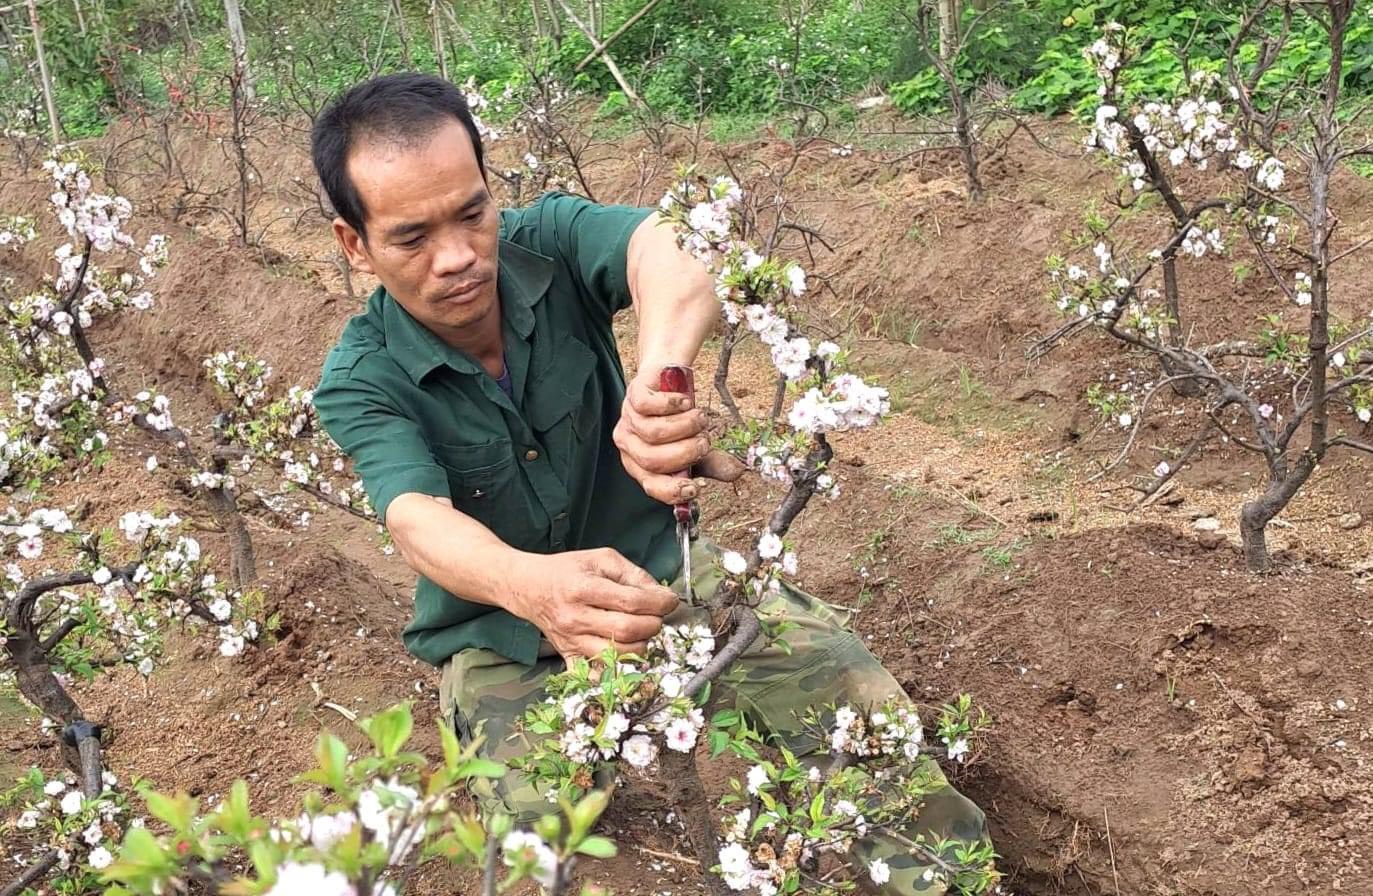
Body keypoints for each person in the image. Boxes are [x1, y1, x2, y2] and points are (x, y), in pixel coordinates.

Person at [310, 72, 992, 892]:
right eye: (412, 237)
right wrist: (530, 588)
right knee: (540, 861)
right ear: (355, 243)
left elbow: (671, 247)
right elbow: (414, 515)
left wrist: (661, 374)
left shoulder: (551, 240)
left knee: (855, 712)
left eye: (472, 213)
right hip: (508, 640)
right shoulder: (361, 377)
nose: (457, 256)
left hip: (663, 575)